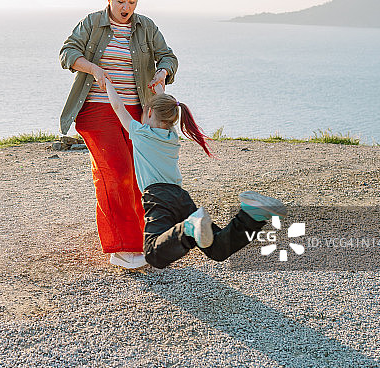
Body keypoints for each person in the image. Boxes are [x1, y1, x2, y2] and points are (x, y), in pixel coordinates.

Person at [59, 0, 178, 269]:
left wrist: (162, 73)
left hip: (137, 112)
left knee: (137, 176)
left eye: (132, 1)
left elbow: (168, 57)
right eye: (121, 0)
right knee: (116, 172)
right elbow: (67, 53)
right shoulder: (92, 23)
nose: (126, 7)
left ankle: (142, 239)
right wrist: (94, 69)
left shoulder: (146, 26)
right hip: (97, 111)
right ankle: (122, 247)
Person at [103, 78, 287, 269]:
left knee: (152, 254)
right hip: (180, 197)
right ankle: (253, 215)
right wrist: (159, 91)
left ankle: (189, 228)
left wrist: (107, 83)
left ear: (149, 113)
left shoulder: (141, 133)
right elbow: (163, 110)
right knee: (217, 249)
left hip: (158, 197)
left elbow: (118, 107)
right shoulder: (171, 136)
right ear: (171, 119)